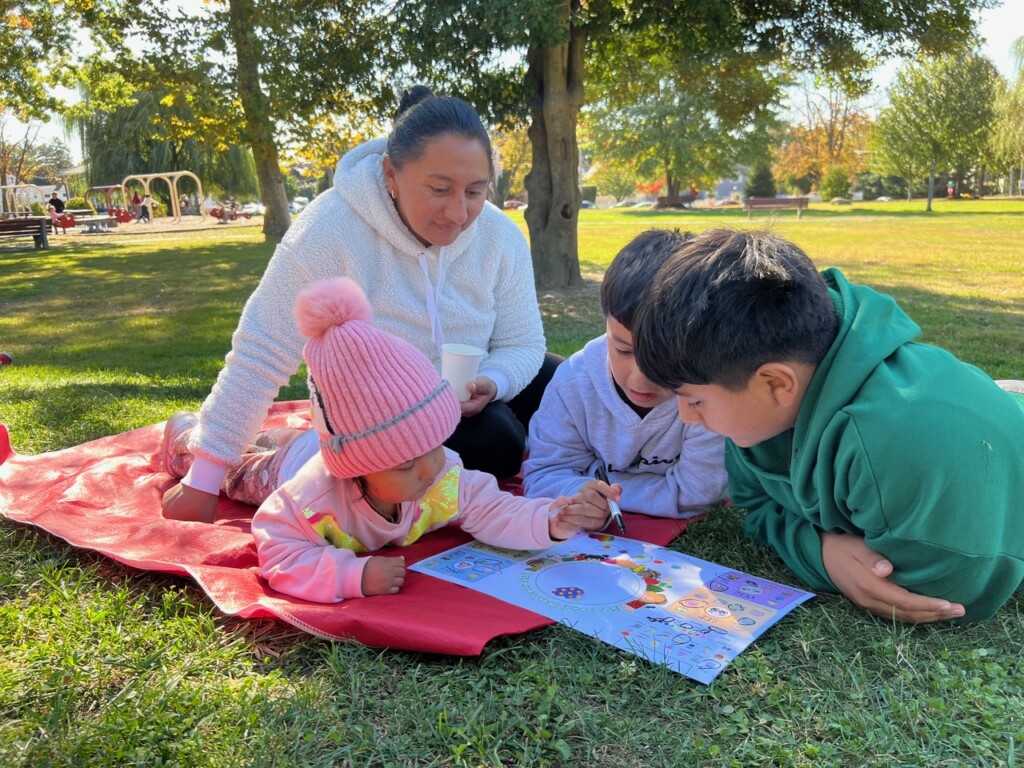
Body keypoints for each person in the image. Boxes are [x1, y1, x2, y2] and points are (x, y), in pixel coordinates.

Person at [162, 85, 554, 524]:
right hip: (378, 413)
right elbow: (263, 347)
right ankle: (210, 447)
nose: (458, 214)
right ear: (390, 173)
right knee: (496, 443)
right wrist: (204, 478)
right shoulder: (329, 229)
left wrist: (493, 381)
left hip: (465, 396)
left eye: (475, 192)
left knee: (561, 380)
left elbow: (523, 342)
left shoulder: (499, 236)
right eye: (440, 189)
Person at [631, 228, 1024, 624]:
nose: (686, 417)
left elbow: (939, 590)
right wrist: (824, 551)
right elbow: (755, 503)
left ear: (777, 383)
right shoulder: (759, 407)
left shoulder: (901, 446)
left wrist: (822, 554)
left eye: (694, 400)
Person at [245, 278, 612, 603]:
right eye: (405, 464)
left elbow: (492, 508)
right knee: (243, 461)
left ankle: (287, 436)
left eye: (434, 446)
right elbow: (279, 550)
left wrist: (548, 521)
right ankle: (185, 434)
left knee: (288, 437)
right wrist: (350, 575)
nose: (428, 470)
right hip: (284, 469)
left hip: (318, 443)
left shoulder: (441, 474)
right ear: (358, 470)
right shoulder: (311, 499)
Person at [523, 229, 728, 518]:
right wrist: (578, 496)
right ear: (605, 325)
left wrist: (604, 491)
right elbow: (542, 475)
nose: (640, 379)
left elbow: (698, 493)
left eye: (663, 357)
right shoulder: (573, 384)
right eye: (623, 350)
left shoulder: (709, 394)